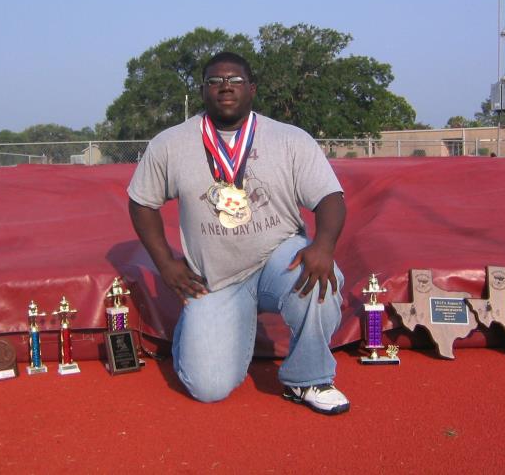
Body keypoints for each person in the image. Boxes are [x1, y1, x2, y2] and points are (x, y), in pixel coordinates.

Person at [127, 51, 349, 415]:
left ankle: (309, 378)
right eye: (214, 81)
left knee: (321, 278)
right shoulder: (170, 143)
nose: (225, 87)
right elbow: (141, 203)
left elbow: (330, 197)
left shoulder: (289, 138)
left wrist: (323, 245)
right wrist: (165, 263)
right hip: (217, 277)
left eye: (234, 80)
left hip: (277, 257)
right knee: (208, 388)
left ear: (252, 89)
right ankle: (197, 327)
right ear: (203, 90)